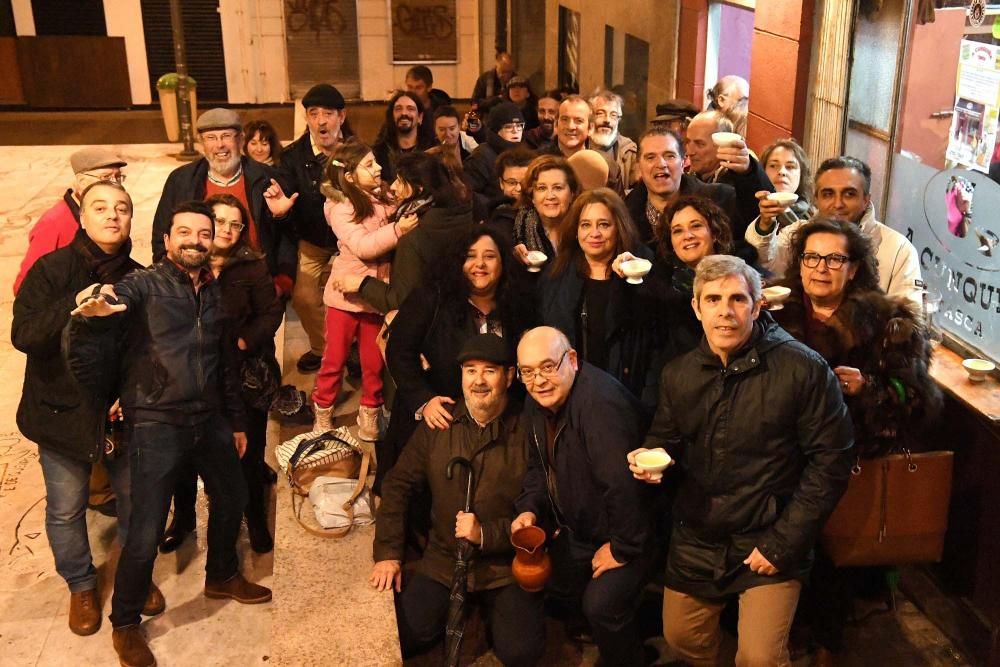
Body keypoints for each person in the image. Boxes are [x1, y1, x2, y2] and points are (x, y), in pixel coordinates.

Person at [67, 201, 271, 667]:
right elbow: (108, 315)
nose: (195, 241)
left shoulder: (215, 293)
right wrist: (92, 314)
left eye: (204, 233)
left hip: (210, 418)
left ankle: (221, 573)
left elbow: (225, 364)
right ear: (166, 240)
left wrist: (236, 421)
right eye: (185, 233)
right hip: (155, 422)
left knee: (234, 496)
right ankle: (124, 623)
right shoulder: (144, 285)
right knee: (143, 531)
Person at [629, 254, 854, 667]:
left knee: (760, 659)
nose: (725, 312)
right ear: (696, 308)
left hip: (768, 534)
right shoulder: (679, 373)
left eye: (737, 299)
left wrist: (783, 542)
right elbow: (665, 438)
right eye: (713, 300)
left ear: (758, 305)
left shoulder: (802, 369)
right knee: (681, 639)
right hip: (697, 535)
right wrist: (649, 458)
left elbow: (832, 463)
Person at [769, 218, 942, 665]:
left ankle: (829, 639)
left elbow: (919, 400)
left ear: (854, 267)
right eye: (811, 257)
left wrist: (869, 388)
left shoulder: (889, 321)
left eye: (834, 258)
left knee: (833, 554)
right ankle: (786, 630)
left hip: (853, 460)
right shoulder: (773, 312)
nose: (820, 268)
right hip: (781, 457)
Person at [12, 182, 161, 637]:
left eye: (122, 208)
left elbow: (150, 350)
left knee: (138, 504)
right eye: (100, 207)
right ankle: (80, 583)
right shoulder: (52, 270)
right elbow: (25, 334)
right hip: (60, 413)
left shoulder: (141, 277)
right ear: (82, 217)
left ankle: (136, 576)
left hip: (122, 417)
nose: (113, 216)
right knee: (65, 506)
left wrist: (129, 392)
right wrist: (72, 307)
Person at [372, 333, 546, 666]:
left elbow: (542, 507)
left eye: (489, 371)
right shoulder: (441, 423)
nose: (478, 381)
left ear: (509, 377)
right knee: (406, 633)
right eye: (470, 370)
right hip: (443, 560)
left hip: (504, 565)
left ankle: (487, 616)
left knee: (521, 651)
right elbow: (398, 484)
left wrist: (487, 534)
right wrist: (388, 553)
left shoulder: (529, 429)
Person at [511, 326, 651, 667]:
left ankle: (627, 656)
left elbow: (624, 487)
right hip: (583, 525)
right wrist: (529, 508)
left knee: (600, 603)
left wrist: (622, 548)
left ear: (571, 360)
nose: (538, 380)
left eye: (548, 366)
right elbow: (538, 468)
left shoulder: (600, 406)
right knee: (554, 586)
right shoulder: (535, 402)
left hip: (636, 530)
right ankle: (623, 629)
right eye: (528, 372)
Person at [379, 227, 533, 490]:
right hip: (440, 415)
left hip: (496, 421)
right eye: (470, 256)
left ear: (503, 263)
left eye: (490, 256)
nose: (479, 264)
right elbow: (399, 350)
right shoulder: (432, 298)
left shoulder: (517, 303)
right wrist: (423, 400)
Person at [312, 140, 418, 440]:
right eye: (369, 165)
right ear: (349, 176)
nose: (379, 168)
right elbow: (362, 246)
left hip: (374, 295)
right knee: (334, 358)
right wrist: (398, 230)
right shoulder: (341, 207)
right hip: (345, 297)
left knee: (374, 361)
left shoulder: (383, 197)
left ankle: (370, 411)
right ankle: (323, 408)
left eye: (376, 162)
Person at [207, 193, 285, 554]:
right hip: (204, 372)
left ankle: (255, 517)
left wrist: (243, 342)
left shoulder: (252, 265)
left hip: (245, 372)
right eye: (220, 221)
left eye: (235, 224)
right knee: (212, 449)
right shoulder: (189, 261)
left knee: (250, 451)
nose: (227, 229)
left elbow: (271, 313)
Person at [151, 108, 296, 294]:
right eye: (211, 138)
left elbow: (288, 237)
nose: (220, 145)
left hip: (257, 284)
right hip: (196, 284)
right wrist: (172, 280)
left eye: (227, 136)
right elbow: (161, 235)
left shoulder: (267, 179)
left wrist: (282, 282)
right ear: (201, 142)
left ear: (241, 139)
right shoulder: (181, 181)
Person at [745, 156, 923, 307]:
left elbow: (909, 318)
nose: (838, 204)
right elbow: (766, 261)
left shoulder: (898, 249)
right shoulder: (798, 233)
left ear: (866, 200)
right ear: (816, 199)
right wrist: (765, 223)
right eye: (828, 194)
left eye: (849, 194)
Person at [538, 188, 657, 404]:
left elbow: (654, 339)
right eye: (586, 225)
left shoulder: (642, 270)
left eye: (604, 224)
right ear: (576, 231)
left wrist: (632, 282)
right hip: (571, 397)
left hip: (627, 395)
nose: (594, 233)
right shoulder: (556, 275)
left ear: (618, 228)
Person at [272, 83, 354, 372]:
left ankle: (357, 347)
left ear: (341, 117)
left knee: (363, 292)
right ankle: (327, 349)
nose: (321, 120)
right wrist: (281, 213)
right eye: (313, 113)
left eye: (328, 113)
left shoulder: (358, 151)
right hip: (313, 241)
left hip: (353, 240)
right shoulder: (291, 157)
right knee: (305, 297)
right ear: (306, 118)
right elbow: (284, 204)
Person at [354, 152, 474, 315]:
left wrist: (362, 284)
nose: (394, 186)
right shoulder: (461, 214)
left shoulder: (414, 236)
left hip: (429, 326)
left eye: (401, 181)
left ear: (419, 188)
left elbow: (403, 301)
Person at [626, 127, 752, 266]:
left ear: (683, 162)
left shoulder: (721, 199)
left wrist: (749, 172)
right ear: (639, 166)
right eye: (650, 157)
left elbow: (759, 220)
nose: (661, 164)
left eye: (669, 156)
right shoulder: (624, 215)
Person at [15, 147, 127, 295]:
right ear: (81, 182)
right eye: (106, 178)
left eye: (118, 177)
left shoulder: (112, 215)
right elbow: (24, 287)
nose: (115, 184)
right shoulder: (54, 223)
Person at [684, 110, 774, 240]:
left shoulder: (738, 181)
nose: (689, 151)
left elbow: (758, 205)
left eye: (699, 144)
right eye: (688, 142)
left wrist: (748, 171)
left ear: (722, 144)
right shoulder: (687, 180)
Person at [512, 155, 580, 266]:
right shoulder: (515, 231)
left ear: (572, 193)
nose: (550, 196)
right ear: (532, 196)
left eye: (558, 188)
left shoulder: (586, 228)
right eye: (542, 188)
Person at [465, 101, 526, 222]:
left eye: (519, 125)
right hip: (493, 220)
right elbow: (467, 193)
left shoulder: (526, 153)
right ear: (496, 130)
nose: (515, 131)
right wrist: (495, 207)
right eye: (508, 127)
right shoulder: (481, 156)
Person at [373, 90, 436, 185]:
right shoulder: (379, 153)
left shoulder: (432, 151)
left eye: (410, 109)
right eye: (398, 109)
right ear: (392, 116)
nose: (404, 113)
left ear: (420, 117)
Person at [757, 138, 816, 228]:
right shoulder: (749, 210)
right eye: (773, 166)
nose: (782, 172)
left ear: (802, 175)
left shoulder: (815, 218)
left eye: (790, 167)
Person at [588, 89, 638, 189]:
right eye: (600, 113)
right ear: (590, 116)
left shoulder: (629, 151)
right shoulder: (580, 144)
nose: (607, 120)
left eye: (613, 115)